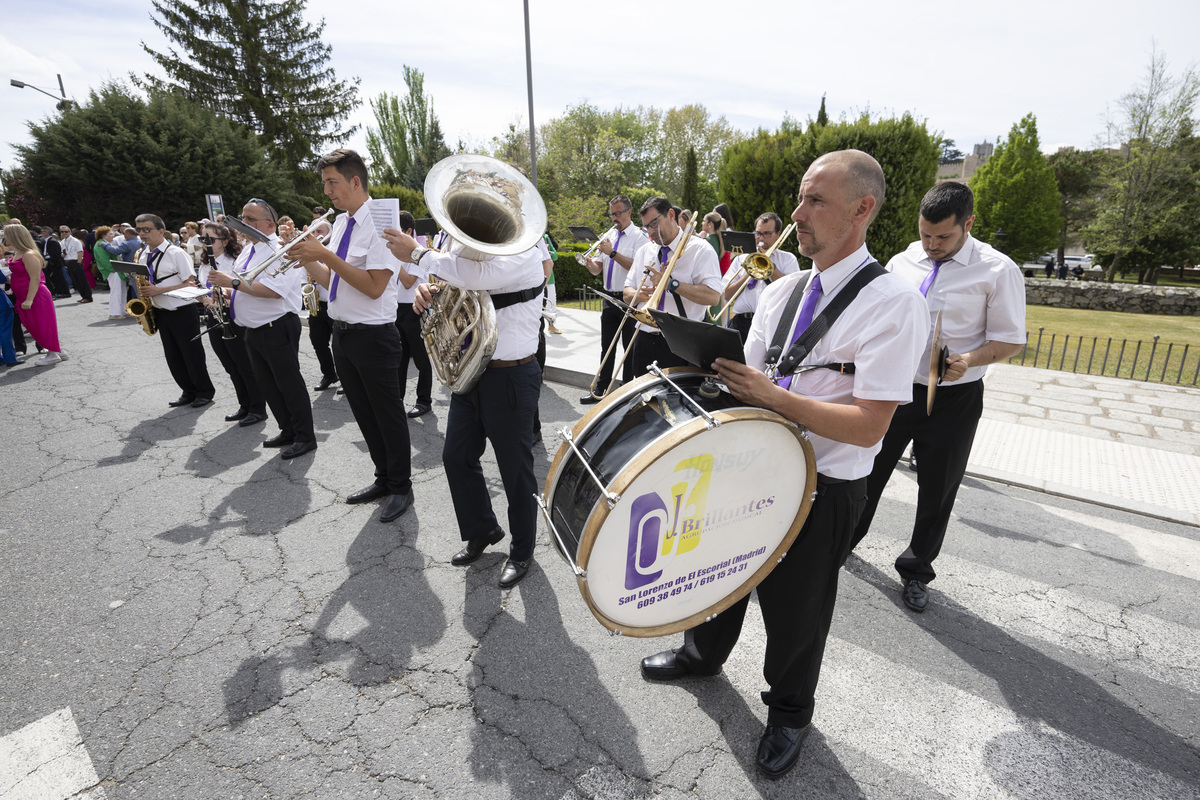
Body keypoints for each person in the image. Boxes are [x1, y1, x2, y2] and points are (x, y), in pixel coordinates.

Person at [638, 151, 928, 779]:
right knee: (717, 572)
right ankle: (703, 652)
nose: (797, 214)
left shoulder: (896, 304)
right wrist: (700, 367)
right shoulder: (782, 289)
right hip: (754, 462)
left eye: (814, 202)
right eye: (799, 198)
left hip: (824, 485)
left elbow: (871, 424)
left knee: (797, 613)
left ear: (862, 209)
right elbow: (757, 376)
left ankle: (790, 713)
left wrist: (774, 396)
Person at [850, 182, 1025, 612]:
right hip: (894, 389)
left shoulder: (998, 270)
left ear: (968, 224)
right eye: (925, 234)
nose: (931, 245)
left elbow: (1011, 339)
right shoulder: (902, 259)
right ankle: (840, 545)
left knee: (937, 488)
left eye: (943, 237)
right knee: (865, 473)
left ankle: (916, 570)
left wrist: (970, 357)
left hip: (954, 398)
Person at [383, 187, 545, 589]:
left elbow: (477, 277)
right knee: (456, 457)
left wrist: (418, 255)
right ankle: (482, 530)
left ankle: (523, 550)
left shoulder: (524, 248)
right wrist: (427, 290)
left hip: (510, 374)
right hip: (470, 371)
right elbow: (452, 279)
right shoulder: (465, 248)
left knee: (515, 472)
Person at [290, 149, 413, 521]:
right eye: (325, 183)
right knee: (363, 413)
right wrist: (307, 256)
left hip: (375, 336)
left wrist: (323, 256)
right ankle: (383, 476)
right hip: (343, 335)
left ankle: (401, 487)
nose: (327, 191)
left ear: (355, 181)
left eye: (332, 182)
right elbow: (333, 280)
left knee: (387, 416)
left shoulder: (381, 224)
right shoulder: (342, 224)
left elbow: (375, 287)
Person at [209, 201, 314, 459]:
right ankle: (287, 429)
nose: (244, 223)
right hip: (254, 329)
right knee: (268, 385)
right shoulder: (248, 250)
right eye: (243, 217)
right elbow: (244, 286)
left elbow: (273, 292)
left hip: (276, 326)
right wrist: (226, 290)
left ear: (269, 224)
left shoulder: (280, 249)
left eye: (251, 219)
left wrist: (231, 282)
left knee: (288, 384)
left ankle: (305, 437)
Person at [622, 196, 722, 377]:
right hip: (644, 337)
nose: (650, 232)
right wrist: (639, 295)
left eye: (654, 224)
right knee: (642, 401)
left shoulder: (700, 249)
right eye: (646, 227)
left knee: (678, 402)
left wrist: (671, 284)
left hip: (682, 341)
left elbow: (713, 296)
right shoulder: (645, 250)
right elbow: (627, 292)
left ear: (670, 215)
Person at [133, 213, 215, 408]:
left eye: (147, 229)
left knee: (191, 354)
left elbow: (190, 283)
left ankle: (204, 391)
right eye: (139, 230)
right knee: (173, 356)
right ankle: (188, 391)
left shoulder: (176, 253)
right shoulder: (143, 254)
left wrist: (159, 290)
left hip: (182, 311)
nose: (142, 234)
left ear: (161, 231)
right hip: (161, 311)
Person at [197, 221, 269, 429]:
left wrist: (221, 299)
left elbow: (241, 291)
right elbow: (204, 290)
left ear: (225, 241)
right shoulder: (204, 263)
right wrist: (205, 300)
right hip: (214, 315)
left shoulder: (233, 262)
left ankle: (258, 408)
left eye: (210, 239)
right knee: (230, 365)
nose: (205, 243)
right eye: (203, 239)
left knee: (244, 365)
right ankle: (244, 405)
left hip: (233, 316)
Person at [580, 194, 649, 403]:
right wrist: (589, 263)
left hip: (628, 299)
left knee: (629, 348)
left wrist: (612, 253)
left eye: (618, 213)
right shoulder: (609, 235)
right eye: (612, 214)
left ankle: (626, 392)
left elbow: (637, 268)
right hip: (609, 297)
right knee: (607, 346)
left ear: (629, 212)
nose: (614, 218)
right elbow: (596, 270)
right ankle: (601, 389)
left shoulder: (639, 236)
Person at [720, 212, 802, 342]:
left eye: (767, 234)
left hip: (772, 323)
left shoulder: (787, 259)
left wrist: (771, 267)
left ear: (778, 234)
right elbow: (726, 295)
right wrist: (748, 274)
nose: (761, 238)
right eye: (758, 233)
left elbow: (793, 294)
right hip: (741, 323)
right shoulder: (741, 259)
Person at [3, 223, 69, 365]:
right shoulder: (18, 253)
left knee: (42, 324)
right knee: (34, 325)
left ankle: (52, 354)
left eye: (6, 235)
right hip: (24, 296)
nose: (4, 237)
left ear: (15, 236)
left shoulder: (29, 254)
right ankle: (57, 350)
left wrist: (29, 299)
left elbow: (36, 278)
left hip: (34, 296)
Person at [392, 210, 433, 418]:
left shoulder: (419, 251)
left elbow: (408, 282)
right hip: (397, 308)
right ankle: (397, 399)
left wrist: (392, 259)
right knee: (399, 358)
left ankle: (424, 400)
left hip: (415, 309)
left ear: (408, 231)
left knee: (421, 358)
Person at [304, 206, 340, 392]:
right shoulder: (309, 250)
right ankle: (329, 374)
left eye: (320, 231)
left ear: (329, 233)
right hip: (316, 304)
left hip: (333, 302)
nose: (316, 235)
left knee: (339, 346)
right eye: (314, 231)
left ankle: (344, 377)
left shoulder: (334, 250)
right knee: (318, 342)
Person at [92, 226, 128, 320]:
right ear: (103, 235)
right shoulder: (100, 245)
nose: (113, 235)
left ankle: (122, 310)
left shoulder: (104, 243)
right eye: (110, 234)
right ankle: (115, 313)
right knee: (116, 291)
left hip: (116, 269)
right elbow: (104, 260)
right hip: (113, 270)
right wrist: (114, 269)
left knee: (121, 290)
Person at [59, 225, 91, 303]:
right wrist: (62, 254)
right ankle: (83, 296)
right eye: (62, 232)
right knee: (76, 281)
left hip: (76, 261)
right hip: (68, 262)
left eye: (66, 231)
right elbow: (62, 252)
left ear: (70, 232)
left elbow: (80, 252)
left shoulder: (75, 241)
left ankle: (88, 297)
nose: (64, 233)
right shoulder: (62, 242)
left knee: (82, 280)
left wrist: (79, 263)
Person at [39, 227, 71, 299]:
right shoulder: (46, 241)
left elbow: (55, 253)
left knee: (59, 278)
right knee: (55, 278)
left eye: (43, 231)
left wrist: (52, 262)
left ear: (47, 232)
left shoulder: (52, 241)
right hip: (50, 262)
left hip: (55, 263)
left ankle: (65, 292)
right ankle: (59, 291)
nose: (42, 233)